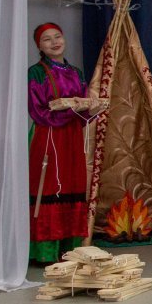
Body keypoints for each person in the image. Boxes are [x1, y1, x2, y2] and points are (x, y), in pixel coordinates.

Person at [28, 23, 98, 264]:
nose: (54, 42)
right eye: (46, 39)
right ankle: (44, 251)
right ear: (39, 46)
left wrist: (93, 108)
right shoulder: (36, 73)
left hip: (71, 138)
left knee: (72, 185)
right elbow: (38, 111)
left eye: (57, 36)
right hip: (48, 136)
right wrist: (70, 110)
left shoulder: (76, 72)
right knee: (48, 187)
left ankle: (70, 248)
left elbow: (84, 111)